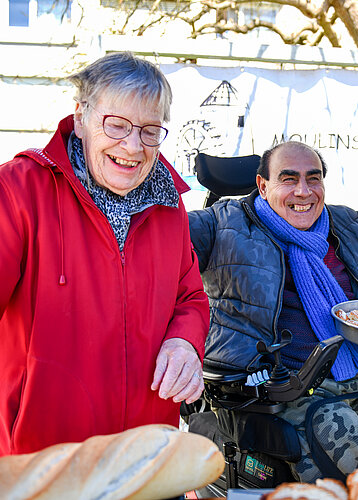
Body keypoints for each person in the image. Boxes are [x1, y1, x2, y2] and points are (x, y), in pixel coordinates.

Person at [188, 141, 358, 482]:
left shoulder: (348, 224)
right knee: (341, 435)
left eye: (313, 178)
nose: (303, 191)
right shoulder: (224, 226)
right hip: (286, 389)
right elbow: (164, 239)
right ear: (263, 186)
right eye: (288, 179)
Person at [0, 52, 209, 456]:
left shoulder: (169, 205)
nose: (132, 146)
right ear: (81, 118)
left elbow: (191, 299)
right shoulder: (19, 190)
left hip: (147, 457)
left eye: (150, 130)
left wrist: (185, 343)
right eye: (116, 125)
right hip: (44, 463)